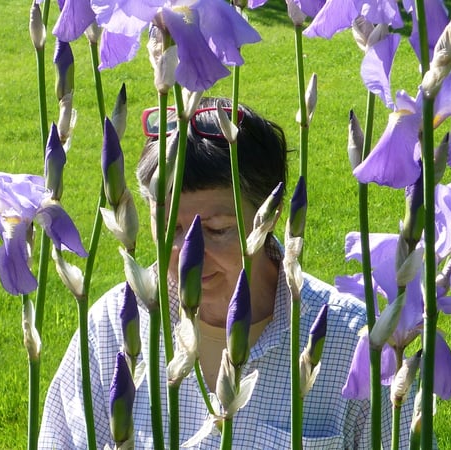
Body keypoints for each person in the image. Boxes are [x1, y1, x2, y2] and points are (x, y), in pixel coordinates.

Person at [39, 97, 413, 449]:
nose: (188, 256)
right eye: (169, 228)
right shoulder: (112, 327)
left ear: (271, 216)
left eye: (215, 230)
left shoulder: (352, 343)